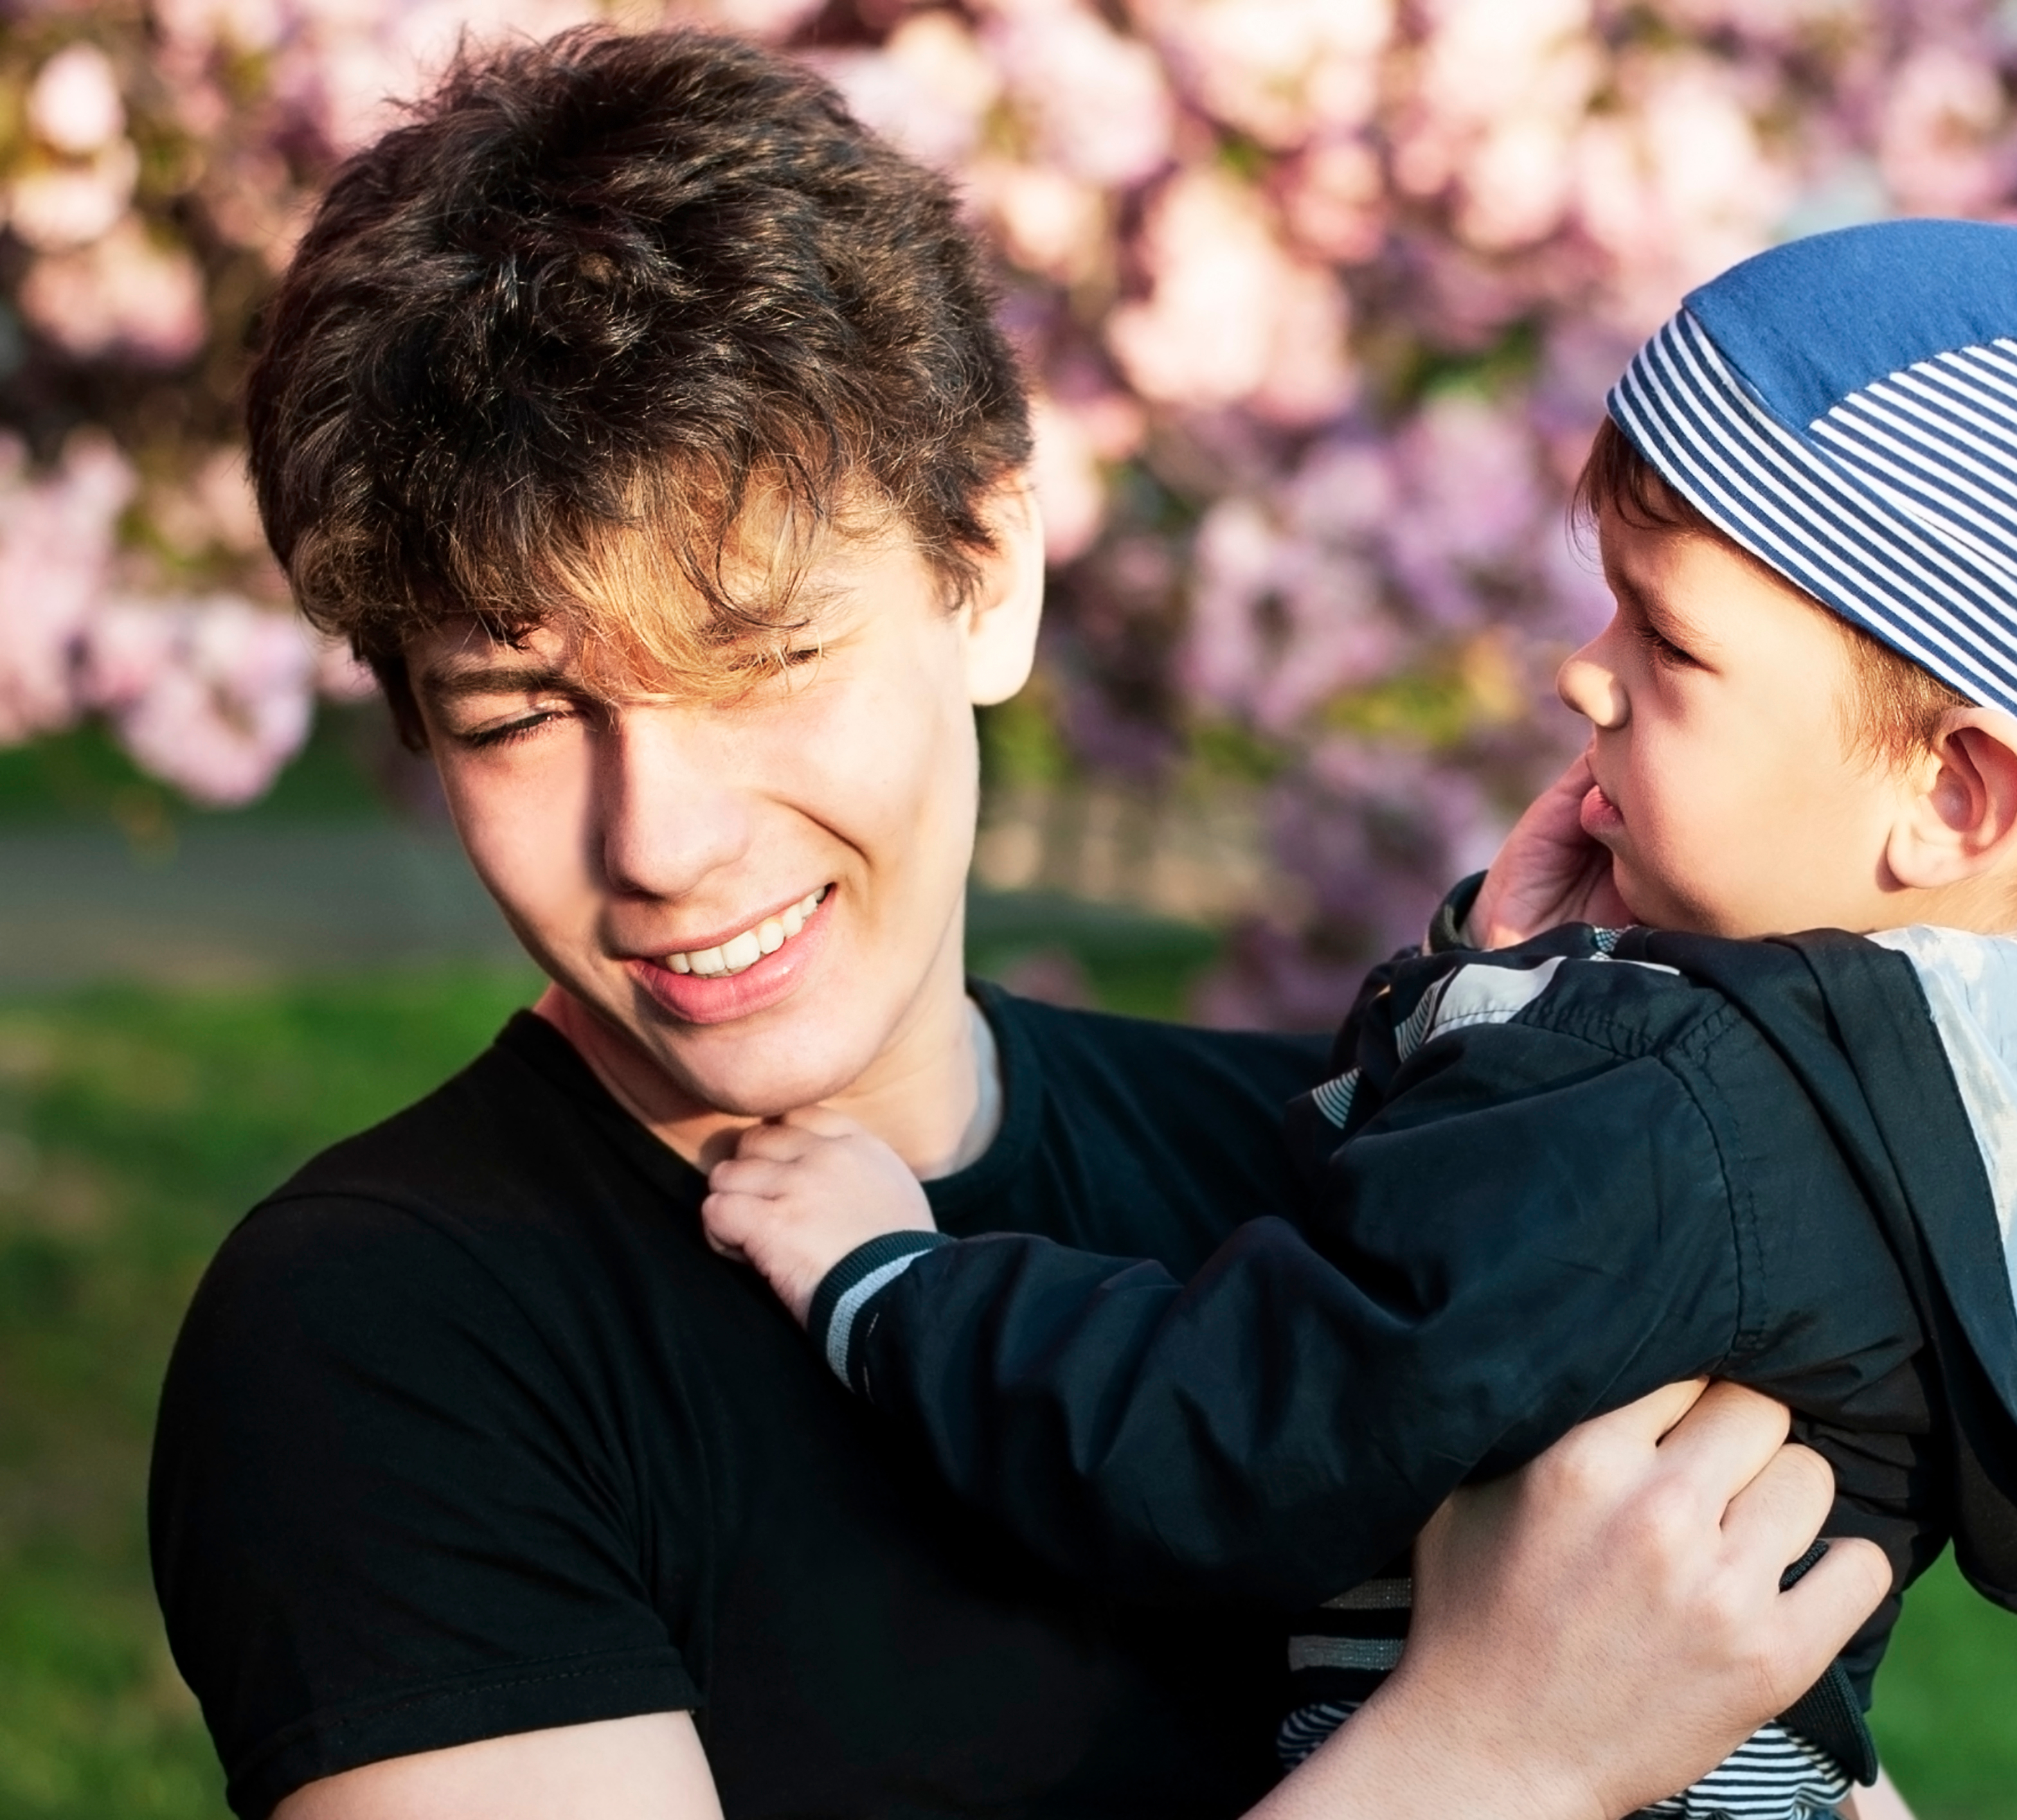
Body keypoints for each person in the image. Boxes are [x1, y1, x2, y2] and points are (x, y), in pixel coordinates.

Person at [143, 30, 1896, 1820]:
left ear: (988, 577)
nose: (658, 841)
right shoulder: (389, 1338)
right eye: (518, 716)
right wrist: (1498, 1759)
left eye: (759, 659)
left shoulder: (1354, 1188)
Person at [703, 220, 2017, 1817]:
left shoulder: (1670, 1114)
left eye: (1670, 642)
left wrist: (887, 1281)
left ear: (1953, 793)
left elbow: (1247, 1430)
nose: (1584, 673)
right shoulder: (1979, 1070)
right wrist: (1502, 978)